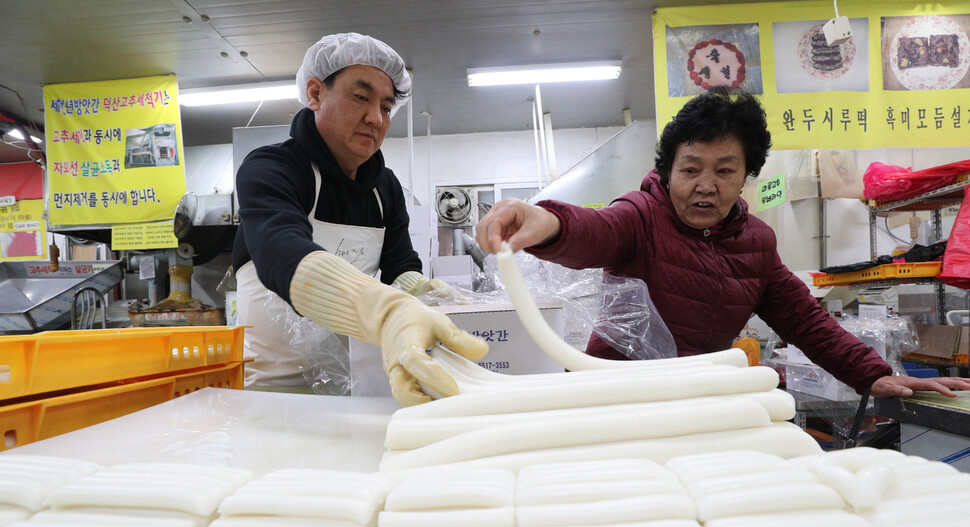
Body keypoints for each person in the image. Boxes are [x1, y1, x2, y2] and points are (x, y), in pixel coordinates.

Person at [476, 88, 970, 400]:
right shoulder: (642, 217)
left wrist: (872, 375)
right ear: (668, 172)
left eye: (725, 170)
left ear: (746, 177)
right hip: (615, 400)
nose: (705, 185)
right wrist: (544, 222)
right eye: (690, 169)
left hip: (697, 399)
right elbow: (594, 230)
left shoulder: (757, 243)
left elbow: (806, 320)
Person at [233, 32, 487, 405]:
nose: (376, 118)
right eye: (360, 97)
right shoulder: (272, 168)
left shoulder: (384, 188)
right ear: (316, 94)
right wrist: (386, 312)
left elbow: (399, 266)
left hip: (354, 383)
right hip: (272, 392)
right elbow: (281, 252)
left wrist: (423, 292)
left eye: (386, 107)